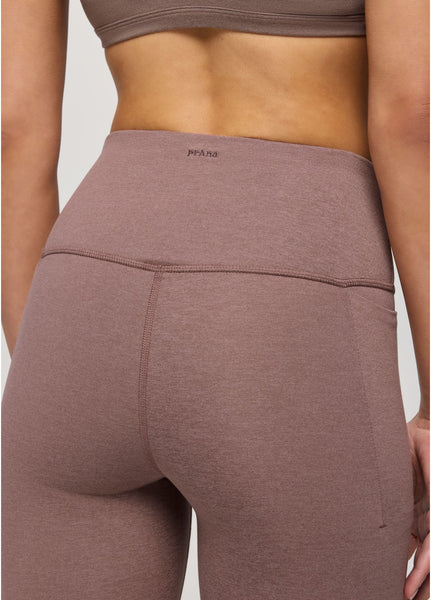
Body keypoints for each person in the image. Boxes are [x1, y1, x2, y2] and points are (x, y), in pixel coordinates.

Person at [2, 0, 429, 598]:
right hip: (289, 291)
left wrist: (45, 371)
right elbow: (414, 112)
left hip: (83, 297)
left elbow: (11, 125)